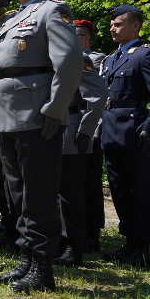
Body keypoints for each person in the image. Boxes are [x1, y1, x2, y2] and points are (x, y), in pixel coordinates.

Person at [0, 0, 83, 292]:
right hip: (6, 114)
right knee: (17, 191)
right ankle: (26, 260)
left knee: (38, 191)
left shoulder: (52, 10)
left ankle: (42, 267)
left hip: (36, 112)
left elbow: (68, 62)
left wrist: (56, 108)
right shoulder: (10, 17)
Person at [100, 4, 150, 267]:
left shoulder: (145, 55)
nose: (112, 27)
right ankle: (130, 242)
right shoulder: (112, 58)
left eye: (118, 24)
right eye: (112, 24)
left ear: (135, 26)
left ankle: (144, 248)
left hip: (135, 131)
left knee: (139, 190)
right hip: (111, 130)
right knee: (119, 190)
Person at [55, 52, 107, 266]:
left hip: (70, 131)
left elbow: (97, 95)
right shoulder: (40, 54)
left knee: (70, 194)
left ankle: (73, 246)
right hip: (45, 130)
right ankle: (56, 241)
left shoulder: (76, 57)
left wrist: (85, 131)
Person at [74, 19, 108, 249]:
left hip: (89, 128)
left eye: (77, 35)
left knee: (89, 184)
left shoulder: (95, 60)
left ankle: (91, 233)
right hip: (68, 127)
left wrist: (89, 130)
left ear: (86, 38)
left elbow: (97, 98)